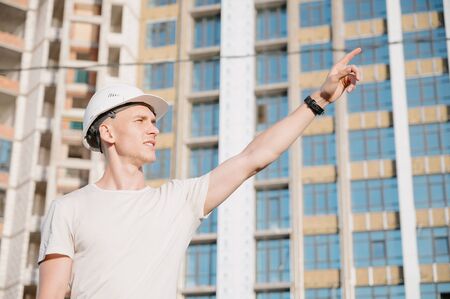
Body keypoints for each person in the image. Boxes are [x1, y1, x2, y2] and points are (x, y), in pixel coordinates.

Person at [37, 48, 362, 298]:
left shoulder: (178, 200)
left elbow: (255, 157)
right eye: (140, 121)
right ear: (108, 132)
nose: (154, 130)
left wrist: (319, 99)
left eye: (154, 122)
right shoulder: (69, 209)